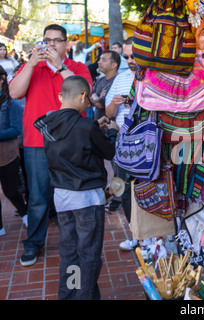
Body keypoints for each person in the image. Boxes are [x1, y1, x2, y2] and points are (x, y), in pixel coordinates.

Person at [9, 24, 93, 267]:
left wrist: (59, 67)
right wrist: (31, 64)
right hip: (37, 142)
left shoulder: (75, 68)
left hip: (72, 143)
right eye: (48, 40)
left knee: (75, 194)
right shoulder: (31, 67)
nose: (52, 44)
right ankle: (34, 243)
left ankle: (80, 242)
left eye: (57, 40)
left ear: (66, 44)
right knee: (37, 197)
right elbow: (14, 93)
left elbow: (83, 95)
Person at [33, 75, 119, 300]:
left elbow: (72, 138)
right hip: (87, 199)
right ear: (84, 96)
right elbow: (109, 151)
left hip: (62, 197)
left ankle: (70, 295)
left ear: (62, 96)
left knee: (70, 253)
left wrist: (93, 128)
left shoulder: (49, 122)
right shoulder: (86, 126)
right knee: (89, 255)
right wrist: (111, 131)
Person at [104, 37, 138, 250]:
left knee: (153, 188)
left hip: (150, 144)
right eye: (126, 56)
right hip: (124, 143)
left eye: (133, 56)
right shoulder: (122, 77)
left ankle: (157, 235)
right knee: (125, 190)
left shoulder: (155, 77)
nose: (129, 60)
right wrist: (115, 105)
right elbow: (108, 113)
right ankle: (135, 233)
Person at [0, 65, 28, 236]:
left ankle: (25, 214)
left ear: (2, 78)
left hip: (7, 154)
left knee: (11, 190)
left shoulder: (10, 102)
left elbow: (17, 129)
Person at [91, 50, 120, 120]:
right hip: (98, 126)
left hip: (112, 126)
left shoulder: (119, 81)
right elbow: (90, 98)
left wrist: (95, 97)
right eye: (100, 59)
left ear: (113, 65)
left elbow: (101, 104)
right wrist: (96, 98)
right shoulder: (100, 80)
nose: (98, 62)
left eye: (103, 60)